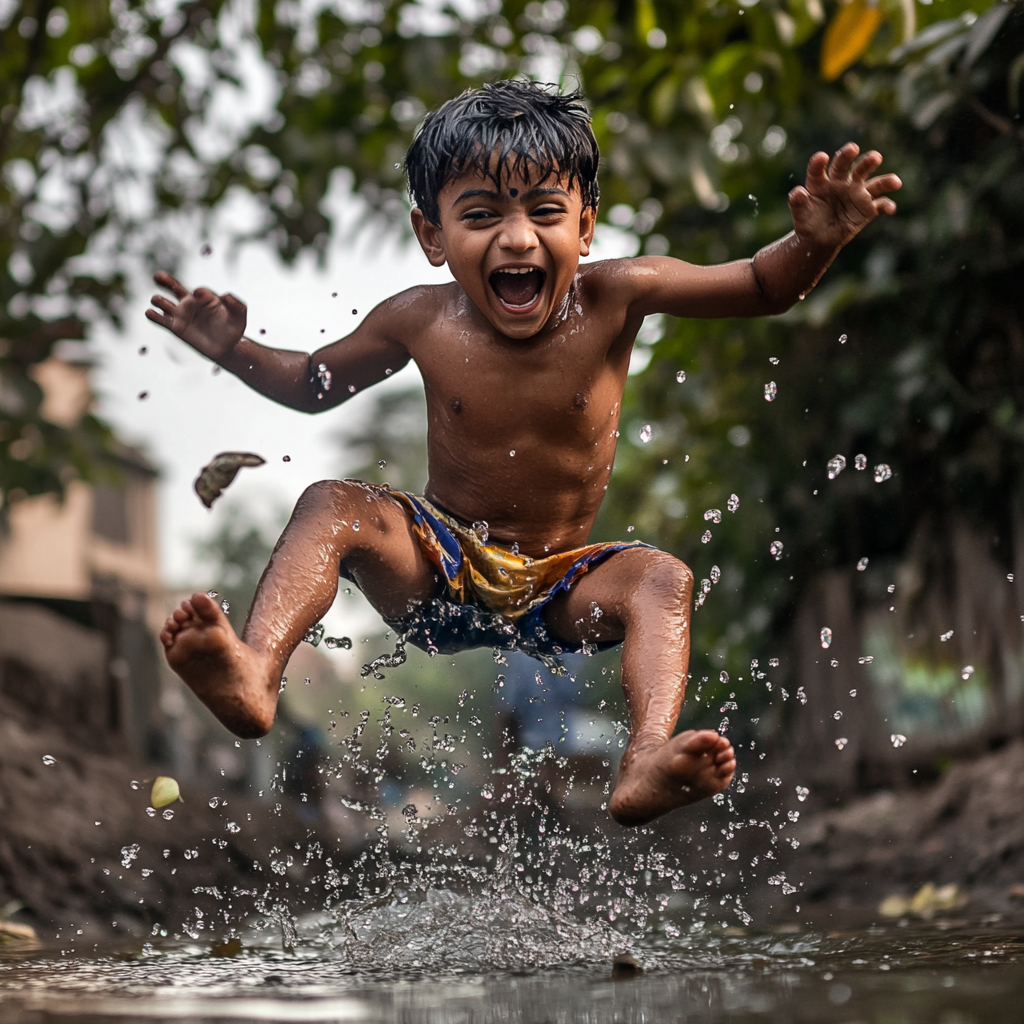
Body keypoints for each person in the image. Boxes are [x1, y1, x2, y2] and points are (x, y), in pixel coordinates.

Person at [148, 80, 900, 827]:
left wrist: (816, 240)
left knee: (663, 579)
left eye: (545, 212)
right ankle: (254, 671)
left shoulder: (620, 294)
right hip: (438, 565)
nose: (516, 239)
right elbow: (314, 384)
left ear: (587, 224)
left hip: (560, 586)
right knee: (332, 503)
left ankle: (644, 756)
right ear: (431, 235)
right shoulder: (419, 319)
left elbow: (762, 286)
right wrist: (233, 348)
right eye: (481, 215)